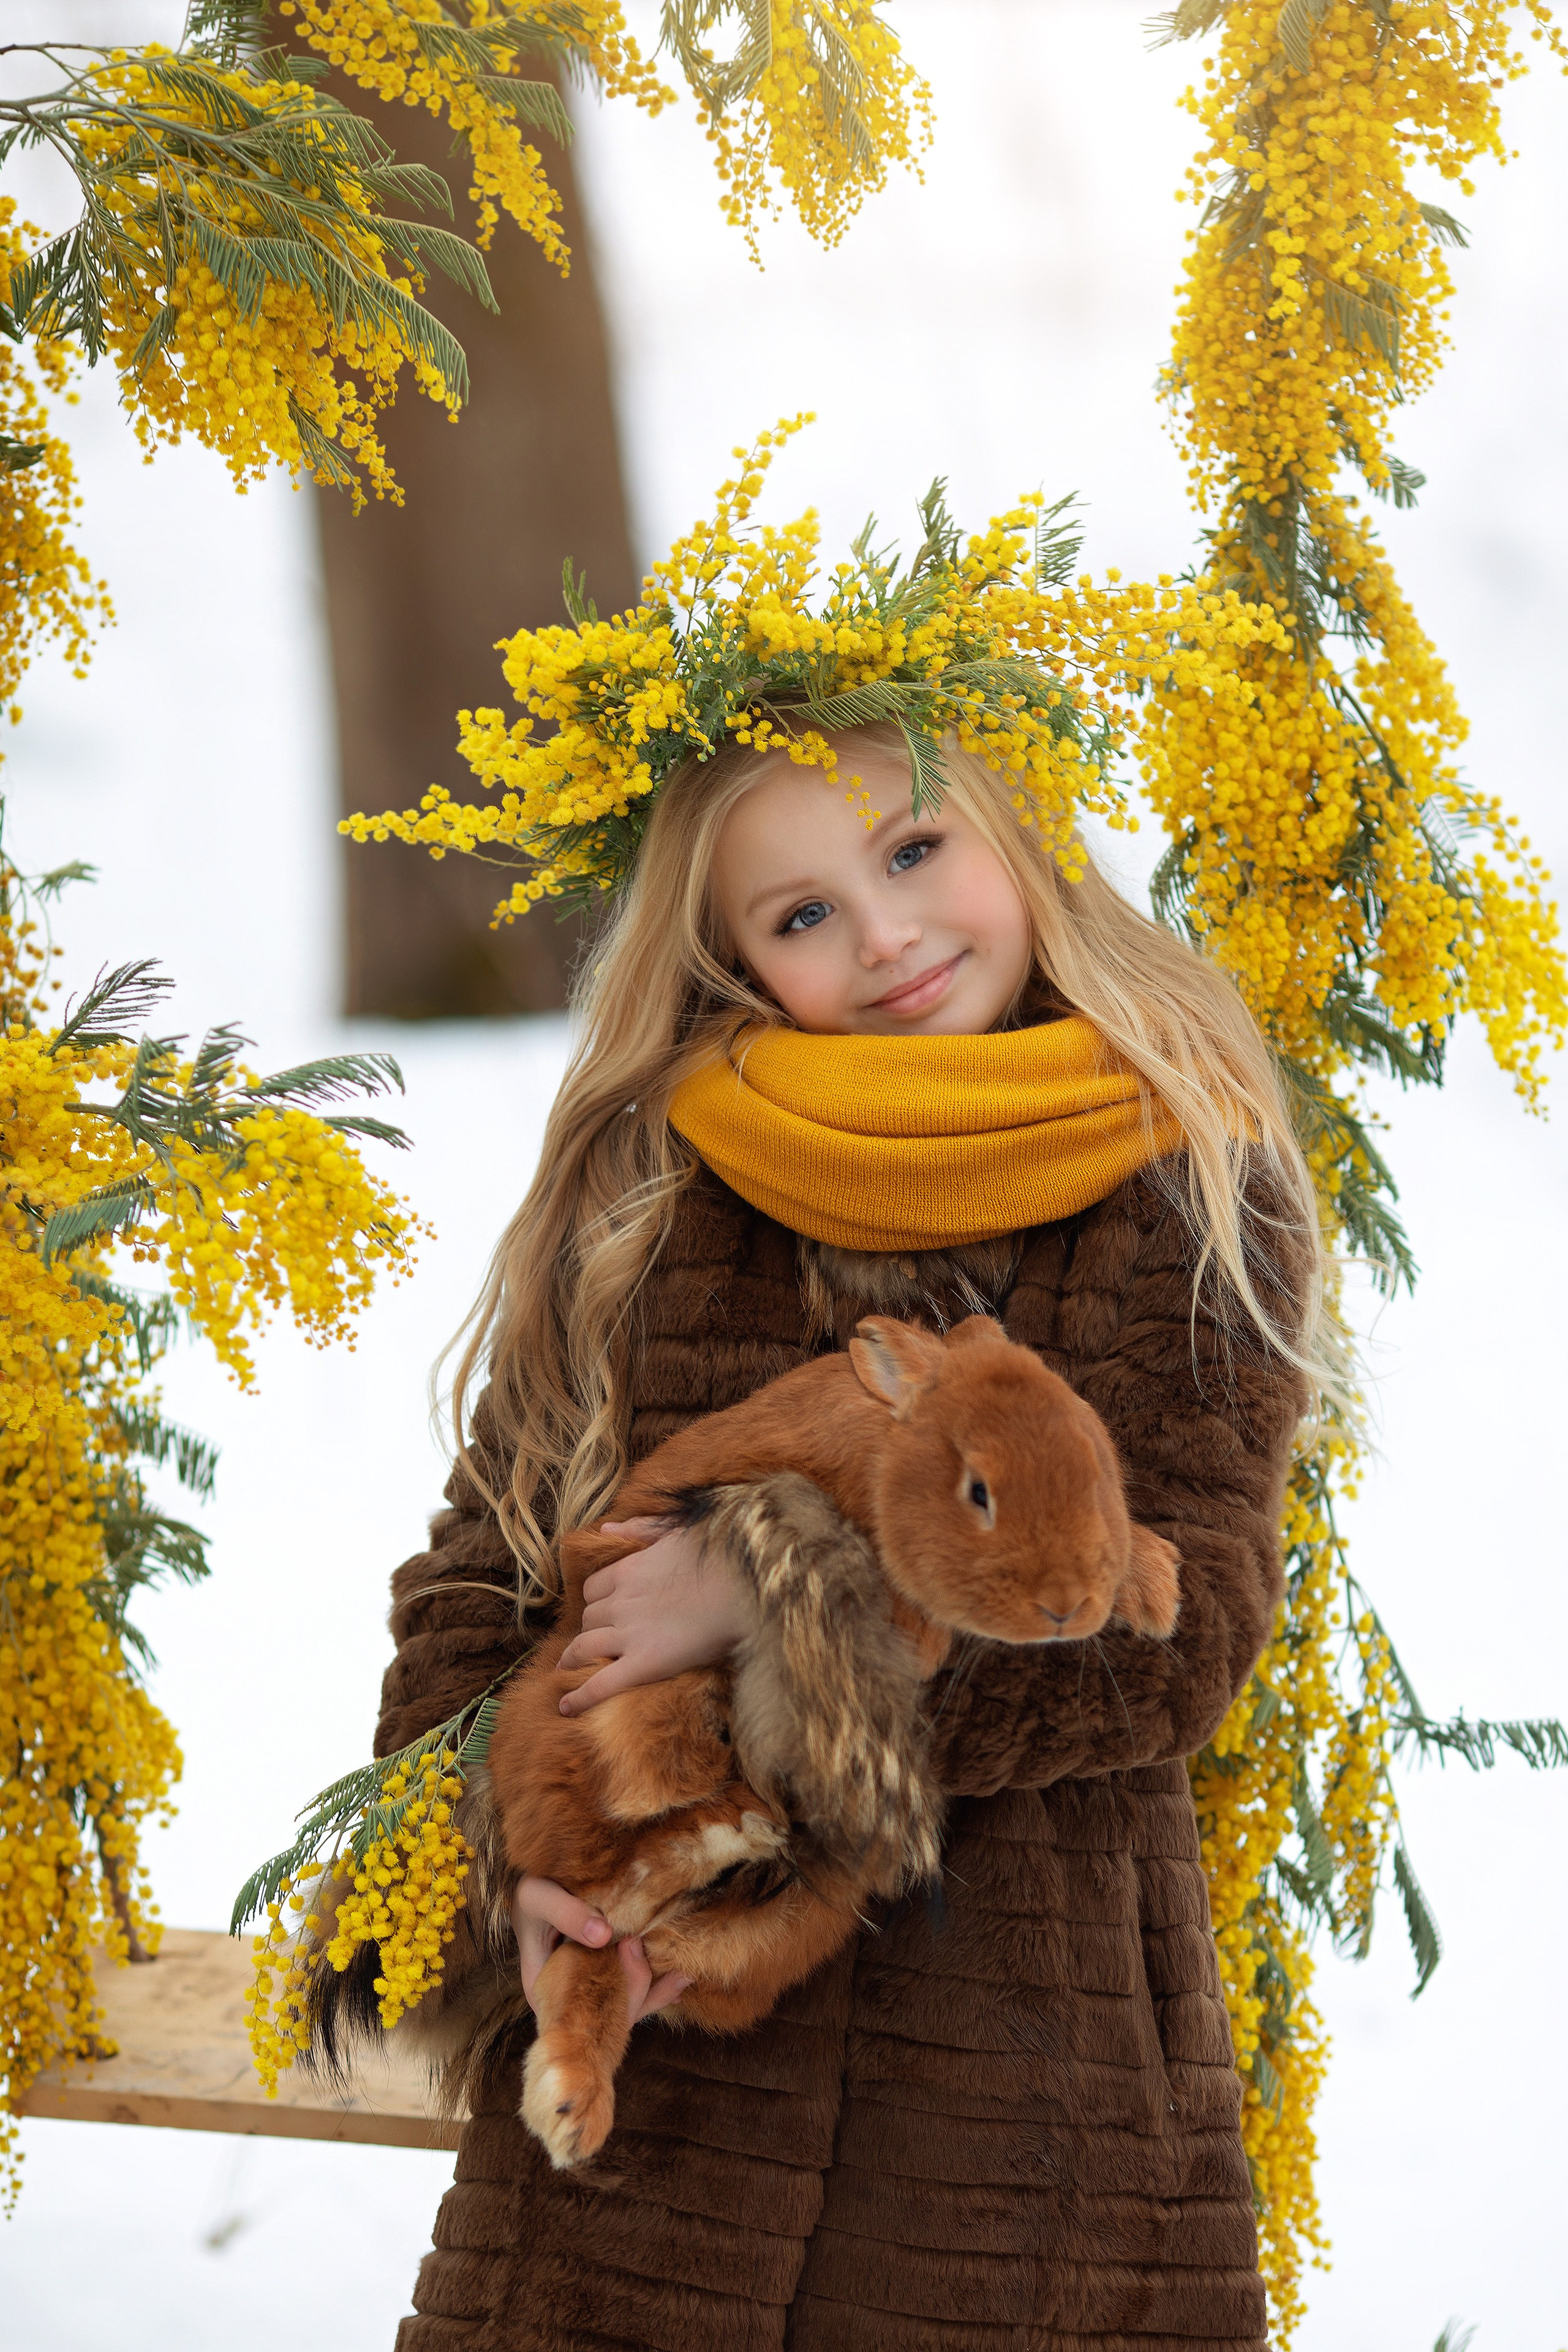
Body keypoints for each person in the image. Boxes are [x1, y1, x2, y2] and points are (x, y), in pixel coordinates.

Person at [324, 453, 1324, 2348]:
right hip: (650, 2129)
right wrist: (515, 1878)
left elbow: (1178, 1622)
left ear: (1015, 836)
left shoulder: (1183, 1183)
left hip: (1021, 2115)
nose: (881, 938)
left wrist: (761, 1601)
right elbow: (479, 1577)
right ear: (733, 964)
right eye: (798, 918)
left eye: (912, 852)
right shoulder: (662, 1193)